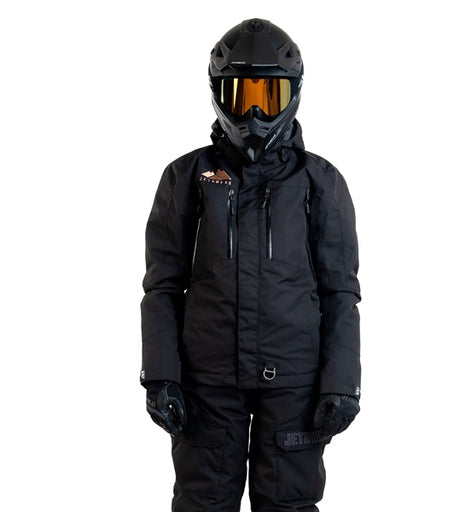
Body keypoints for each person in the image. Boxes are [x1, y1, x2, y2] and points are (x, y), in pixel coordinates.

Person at [140, 18, 362, 512]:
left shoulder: (321, 181)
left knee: (288, 504)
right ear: (219, 95)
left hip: (295, 385)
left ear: (293, 94)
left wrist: (342, 383)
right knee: (202, 503)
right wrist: (160, 374)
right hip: (208, 384)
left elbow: (341, 293)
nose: (255, 113)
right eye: (241, 95)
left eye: (269, 95)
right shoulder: (187, 176)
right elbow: (162, 287)